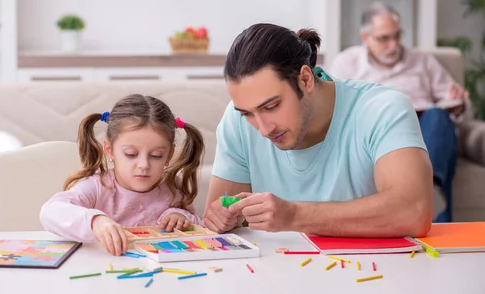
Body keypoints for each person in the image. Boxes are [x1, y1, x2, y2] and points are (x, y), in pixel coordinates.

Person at [202, 23, 434, 238]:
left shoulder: (381, 108)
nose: (263, 129)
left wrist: (294, 216)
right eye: (247, 113)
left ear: (305, 79)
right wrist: (221, 218)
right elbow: (218, 223)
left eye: (271, 106)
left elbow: (413, 211)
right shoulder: (236, 120)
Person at [328, 1, 468, 223]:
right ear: (365, 38)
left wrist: (457, 100)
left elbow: (452, 101)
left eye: (397, 36)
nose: (393, 45)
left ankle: (428, 187)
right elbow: (333, 108)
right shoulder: (347, 63)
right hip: (376, 133)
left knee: (438, 117)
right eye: (384, 39)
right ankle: (422, 193)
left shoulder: (422, 60)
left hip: (424, 132)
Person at [40, 94, 205, 256]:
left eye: (156, 155)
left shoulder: (172, 190)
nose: (144, 165)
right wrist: (95, 221)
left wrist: (181, 217)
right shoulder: (97, 187)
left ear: (169, 155)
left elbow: (198, 227)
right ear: (110, 150)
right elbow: (50, 212)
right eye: (131, 154)